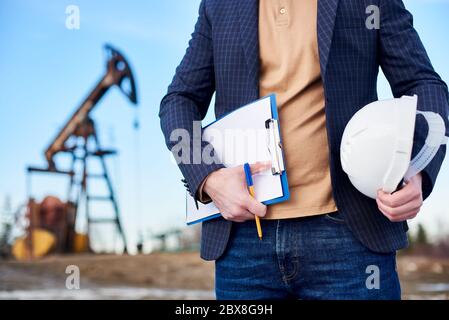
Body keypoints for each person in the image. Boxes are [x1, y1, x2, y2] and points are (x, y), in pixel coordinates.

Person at [159, 0, 448, 299]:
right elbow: (178, 100)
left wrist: (418, 168)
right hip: (244, 242)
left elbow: (422, 83)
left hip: (350, 237)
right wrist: (208, 178)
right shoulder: (218, 5)